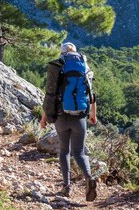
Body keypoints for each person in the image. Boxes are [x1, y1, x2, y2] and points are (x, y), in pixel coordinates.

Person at [40, 42, 98, 201]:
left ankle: (66, 187)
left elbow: (50, 94)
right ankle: (88, 177)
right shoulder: (84, 67)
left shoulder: (58, 67)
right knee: (79, 152)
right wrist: (93, 114)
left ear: (62, 53)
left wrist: (44, 117)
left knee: (64, 151)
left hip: (61, 116)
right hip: (80, 116)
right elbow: (91, 94)